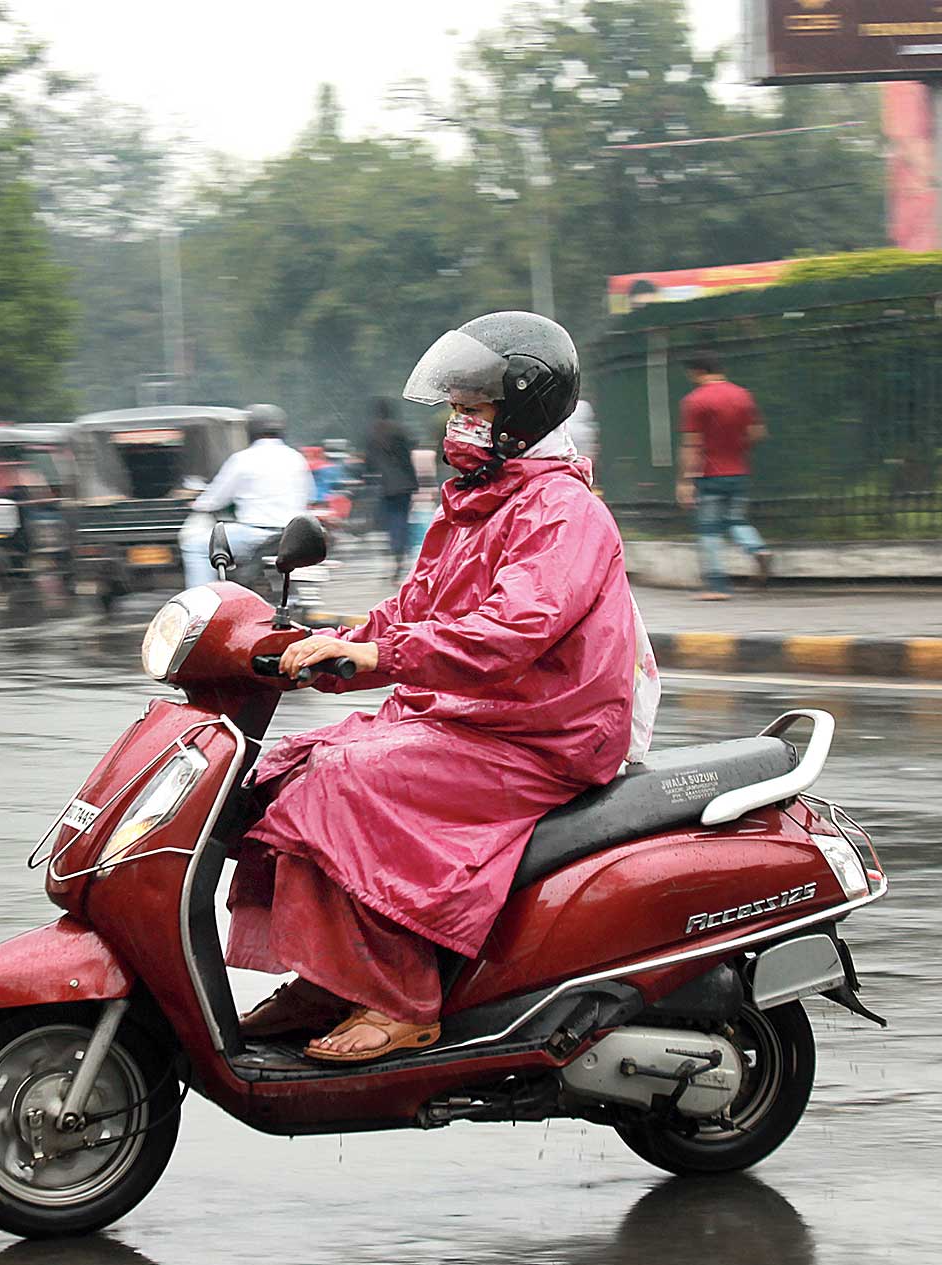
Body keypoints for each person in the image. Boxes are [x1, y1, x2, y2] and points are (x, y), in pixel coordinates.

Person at [224, 312, 656, 1064]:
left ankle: (401, 1001)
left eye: (474, 408)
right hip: (467, 715)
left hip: (539, 732)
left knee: (339, 784)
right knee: (275, 774)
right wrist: (338, 642)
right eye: (453, 407)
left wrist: (378, 656)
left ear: (521, 414)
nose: (458, 423)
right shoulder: (476, 503)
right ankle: (329, 976)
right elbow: (415, 608)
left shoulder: (561, 511)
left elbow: (509, 631)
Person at [676, 353, 771, 601]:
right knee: (735, 521)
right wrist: (736, 448)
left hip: (709, 474)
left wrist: (686, 481)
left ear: (696, 372)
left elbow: (692, 444)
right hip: (738, 471)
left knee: (709, 530)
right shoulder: (742, 395)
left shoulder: (695, 401)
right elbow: (757, 432)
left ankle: (717, 586)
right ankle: (758, 549)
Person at [186, 403, 313, 583]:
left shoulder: (242, 459)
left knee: (195, 547)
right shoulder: (297, 458)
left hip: (255, 533)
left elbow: (214, 500)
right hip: (291, 536)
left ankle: (201, 602)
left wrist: (197, 503)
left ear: (250, 430)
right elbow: (309, 495)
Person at [365, 399, 421, 575]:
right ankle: (401, 553)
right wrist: (414, 482)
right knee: (402, 519)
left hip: (385, 484)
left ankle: (396, 551)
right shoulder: (399, 431)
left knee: (392, 520)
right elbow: (406, 458)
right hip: (404, 483)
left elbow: (370, 462)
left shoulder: (374, 434)